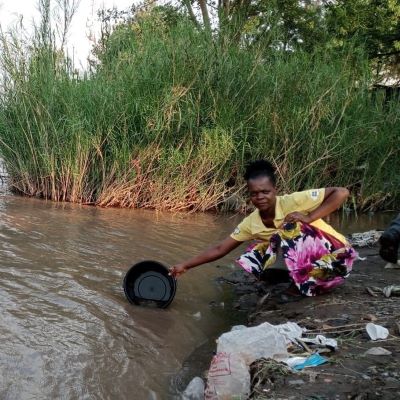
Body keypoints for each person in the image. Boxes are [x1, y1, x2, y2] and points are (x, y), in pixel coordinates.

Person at [169, 160, 358, 297]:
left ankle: (301, 284)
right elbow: (220, 248)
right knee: (253, 252)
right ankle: (299, 278)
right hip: (319, 267)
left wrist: (309, 217)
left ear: (275, 190)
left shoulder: (292, 201)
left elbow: (341, 192)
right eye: (254, 194)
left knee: (289, 229)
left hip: (337, 258)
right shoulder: (251, 222)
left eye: (265, 192)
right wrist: (184, 265)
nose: (260, 197)